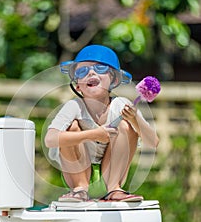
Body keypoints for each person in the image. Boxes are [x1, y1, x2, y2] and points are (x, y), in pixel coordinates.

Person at [44, 45, 159, 202]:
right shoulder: (74, 106)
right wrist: (94, 134)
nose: (91, 72)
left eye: (100, 68)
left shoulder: (121, 105)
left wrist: (134, 119)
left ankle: (114, 189)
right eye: (82, 71)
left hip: (111, 174)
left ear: (114, 79)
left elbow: (153, 142)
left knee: (126, 126)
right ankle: (80, 189)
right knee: (73, 128)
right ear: (78, 85)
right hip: (76, 175)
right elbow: (50, 139)